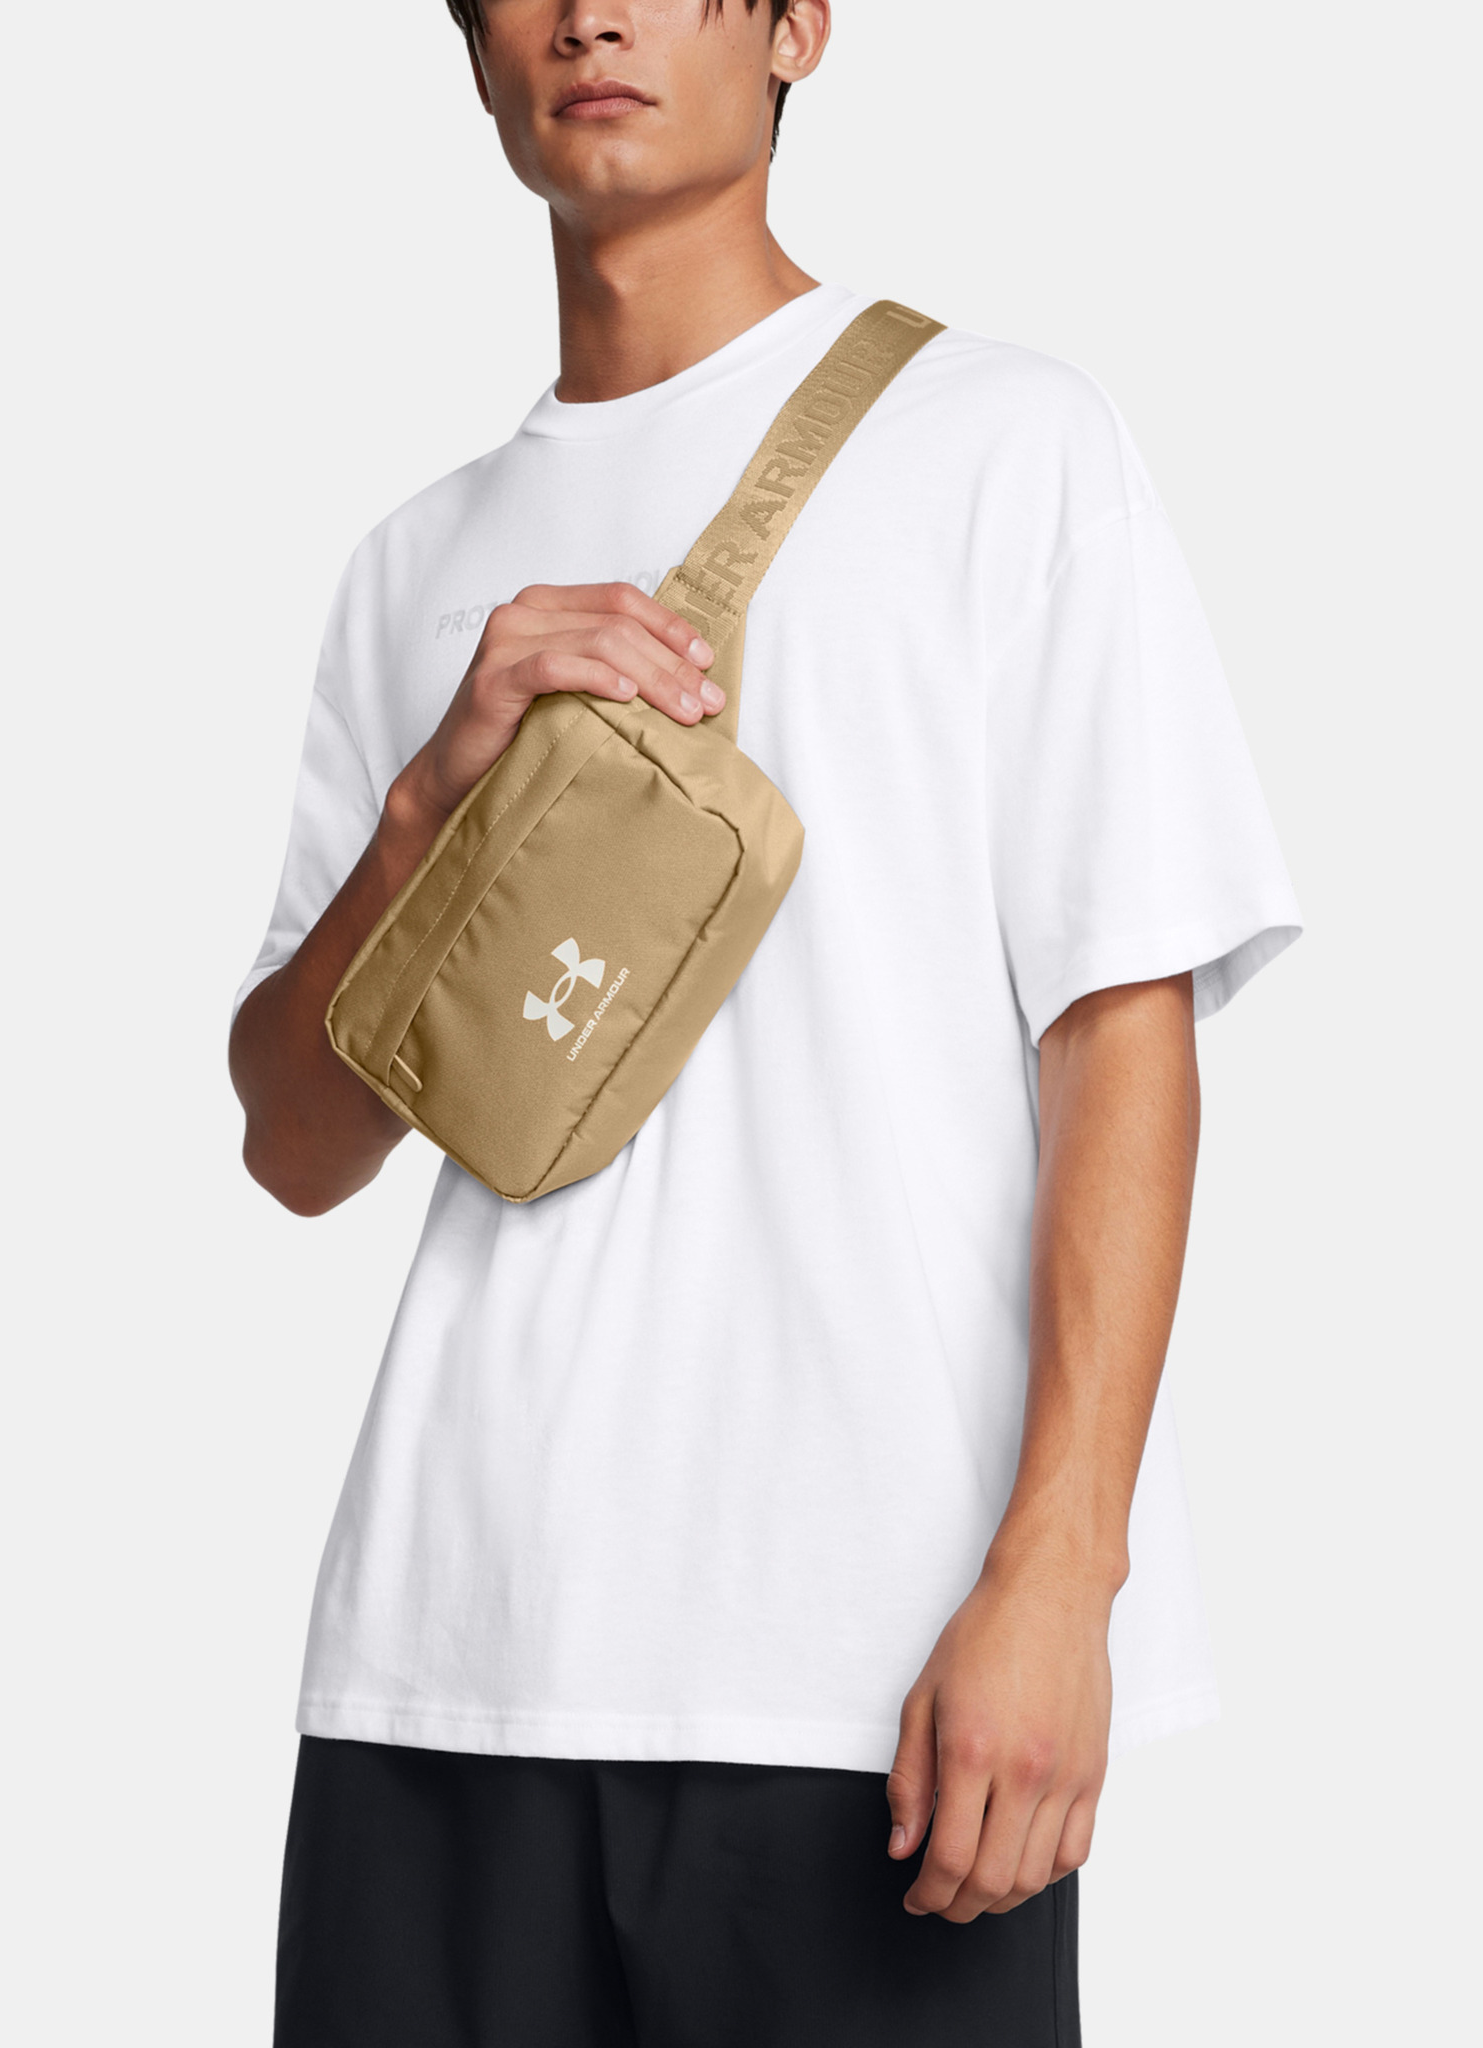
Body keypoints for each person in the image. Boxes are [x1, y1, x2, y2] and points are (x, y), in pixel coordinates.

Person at [229, 3, 1301, 2041]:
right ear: (472, 52)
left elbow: (1120, 1032)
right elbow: (295, 1142)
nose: (595, 16)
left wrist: (1063, 1576)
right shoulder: (411, 564)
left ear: (801, 23)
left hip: (870, 1682)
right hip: (439, 1667)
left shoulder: (1005, 443)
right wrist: (428, 806)